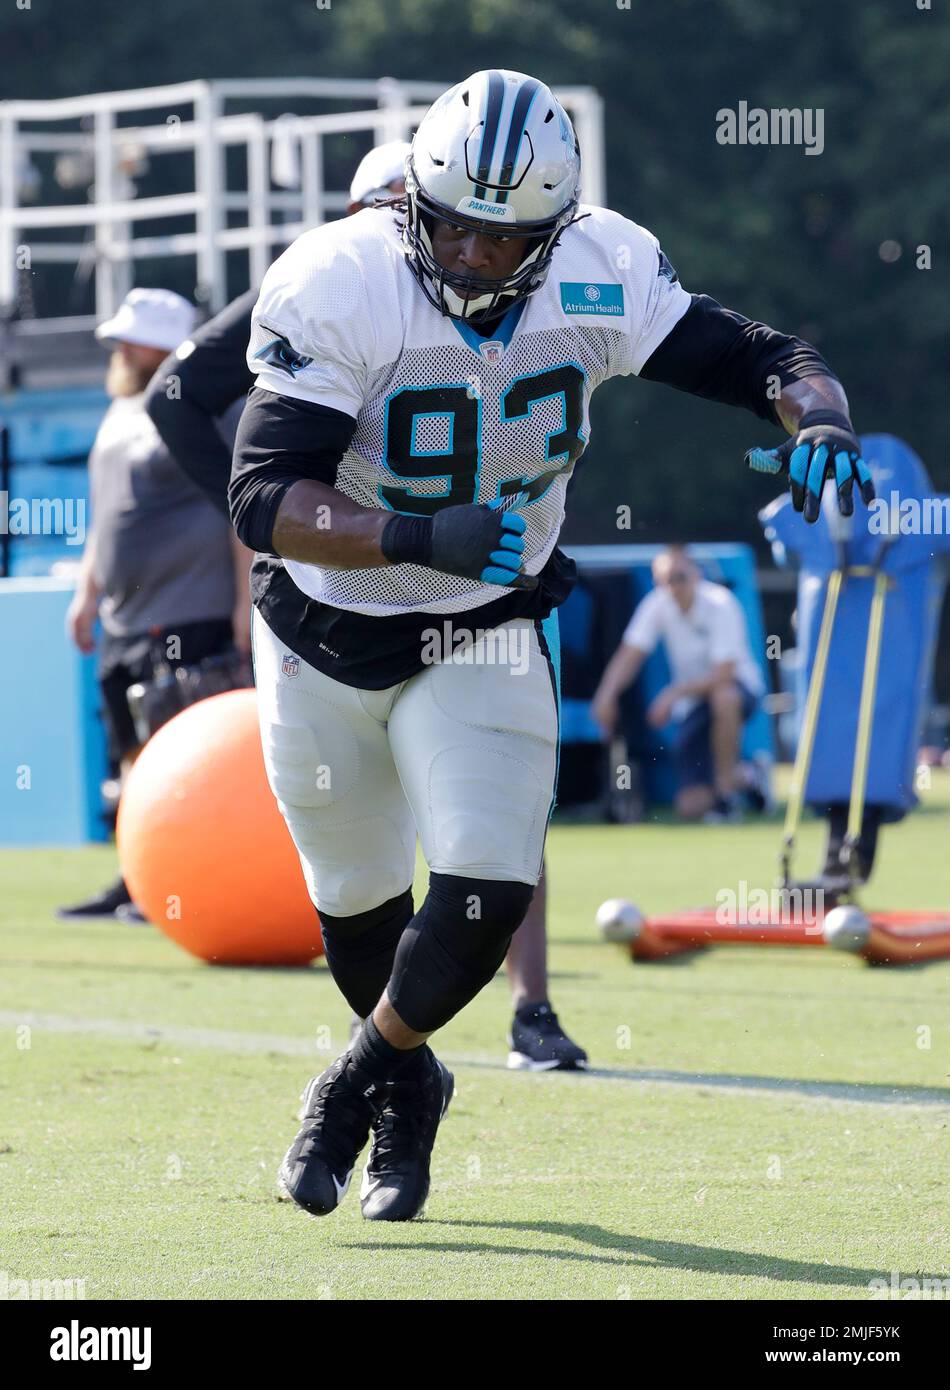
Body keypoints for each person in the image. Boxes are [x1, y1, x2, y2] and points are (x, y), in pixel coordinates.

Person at [228, 68, 874, 1223]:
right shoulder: (340, 279)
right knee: (357, 905)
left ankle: (349, 1083)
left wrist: (816, 414)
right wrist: (411, 532)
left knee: (484, 886)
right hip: (322, 627)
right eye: (454, 228)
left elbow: (763, 357)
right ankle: (410, 1079)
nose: (474, 256)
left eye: (504, 237)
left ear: (558, 227)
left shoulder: (599, 267)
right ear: (411, 202)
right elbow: (263, 493)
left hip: (485, 623)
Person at [145, 139, 587, 1073]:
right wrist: (270, 513)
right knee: (357, 851)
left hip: (484, 581)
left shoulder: (539, 294)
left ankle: (529, 1002)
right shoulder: (331, 291)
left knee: (502, 810)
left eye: (484, 232)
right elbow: (177, 396)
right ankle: (404, 1066)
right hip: (345, 594)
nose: (454, 253)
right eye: (413, 216)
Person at [59, 288, 249, 922]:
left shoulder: (207, 407)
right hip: (123, 616)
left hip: (189, 609)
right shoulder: (119, 410)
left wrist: (244, 608)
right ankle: (138, 878)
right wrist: (86, 593)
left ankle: (185, 881)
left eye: (132, 339)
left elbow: (240, 509)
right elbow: (106, 514)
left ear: (164, 347)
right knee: (132, 758)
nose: (119, 348)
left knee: (183, 758)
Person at [592, 545, 766, 821]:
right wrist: (606, 695)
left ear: (696, 574)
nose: (673, 586)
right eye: (665, 580)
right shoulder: (658, 603)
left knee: (724, 697)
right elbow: (630, 654)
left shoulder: (721, 603)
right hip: (694, 705)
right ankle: (747, 776)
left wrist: (674, 693)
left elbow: (725, 674)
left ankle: (726, 798)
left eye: (679, 577)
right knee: (689, 807)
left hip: (738, 691)